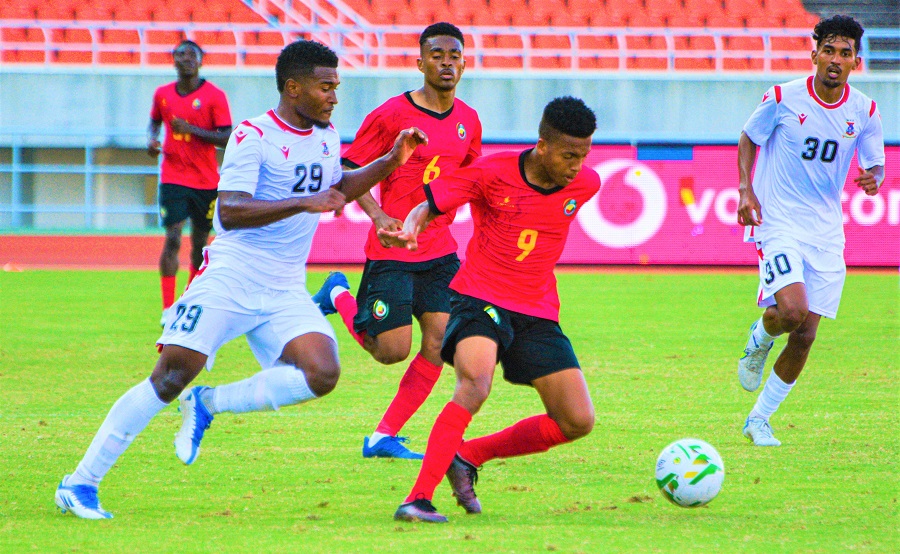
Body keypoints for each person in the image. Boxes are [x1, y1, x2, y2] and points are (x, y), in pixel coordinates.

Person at [54, 39, 427, 519]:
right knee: (169, 378)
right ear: (294, 88)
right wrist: (302, 202)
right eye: (326, 86)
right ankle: (79, 484)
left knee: (322, 373)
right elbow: (229, 211)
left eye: (337, 86)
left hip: (284, 285)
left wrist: (389, 162)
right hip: (230, 276)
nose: (335, 96)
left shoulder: (328, 135)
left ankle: (209, 403)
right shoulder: (253, 136)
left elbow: (335, 188)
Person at [381, 96, 601, 523]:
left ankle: (467, 455)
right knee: (475, 384)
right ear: (542, 145)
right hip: (479, 298)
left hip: (537, 309)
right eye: (569, 155)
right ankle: (418, 499)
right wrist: (410, 227)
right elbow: (431, 203)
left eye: (584, 155)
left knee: (577, 420)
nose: (578, 166)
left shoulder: (586, 185)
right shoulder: (492, 172)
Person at [311, 22, 482, 460]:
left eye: (455, 55)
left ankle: (383, 435)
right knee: (390, 351)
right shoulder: (392, 114)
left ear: (465, 62)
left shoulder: (468, 121)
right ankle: (340, 295)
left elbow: (470, 179)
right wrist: (378, 213)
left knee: (441, 344)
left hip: (441, 250)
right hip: (391, 249)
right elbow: (345, 170)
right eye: (438, 55)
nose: (447, 63)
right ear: (420, 62)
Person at [736, 15, 884, 447]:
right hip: (778, 221)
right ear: (814, 53)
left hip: (826, 230)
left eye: (845, 53)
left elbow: (873, 163)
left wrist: (873, 176)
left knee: (805, 334)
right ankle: (760, 336)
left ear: (855, 62)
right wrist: (746, 191)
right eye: (829, 50)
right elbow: (749, 137)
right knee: (794, 310)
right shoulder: (783, 97)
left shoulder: (865, 110)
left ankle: (758, 419)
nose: (835, 60)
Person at [148, 40, 233, 326]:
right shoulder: (162, 94)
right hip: (172, 176)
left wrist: (191, 130)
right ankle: (167, 308)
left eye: (191, 55)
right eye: (180, 54)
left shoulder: (214, 96)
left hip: (206, 180)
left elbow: (226, 137)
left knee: (199, 245)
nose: (185, 59)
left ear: (200, 60)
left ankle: (189, 299)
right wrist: (152, 139)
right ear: (173, 60)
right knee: (172, 238)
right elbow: (154, 121)